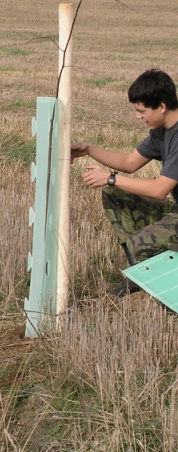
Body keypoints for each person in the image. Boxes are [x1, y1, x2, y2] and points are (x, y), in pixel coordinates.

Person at [71, 68, 178, 297]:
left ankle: (156, 279)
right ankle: (141, 275)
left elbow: (160, 190)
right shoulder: (161, 131)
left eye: (141, 111)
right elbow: (130, 162)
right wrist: (88, 149)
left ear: (161, 106)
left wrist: (110, 177)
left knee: (141, 242)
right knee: (115, 193)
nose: (138, 117)